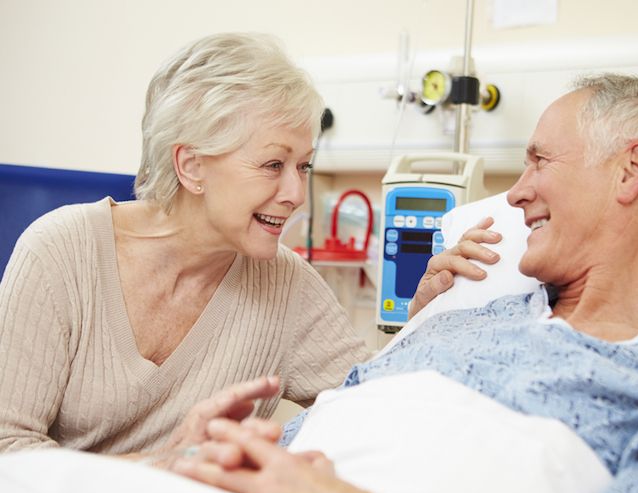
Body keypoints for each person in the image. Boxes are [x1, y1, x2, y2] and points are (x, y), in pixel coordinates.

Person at [174, 73, 638, 493]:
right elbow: (303, 453)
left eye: (539, 161)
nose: (518, 193)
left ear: (631, 170)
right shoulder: (456, 322)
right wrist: (215, 455)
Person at [0, 33, 486, 463]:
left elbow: (378, 404)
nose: (296, 194)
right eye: (274, 165)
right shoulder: (59, 254)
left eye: (304, 167)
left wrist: (423, 320)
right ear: (191, 166)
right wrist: (167, 467)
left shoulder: (286, 283)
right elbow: (8, 451)